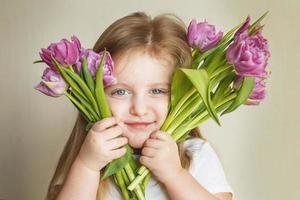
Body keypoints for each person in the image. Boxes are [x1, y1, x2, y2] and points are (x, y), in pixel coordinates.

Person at [46, 11, 234, 200]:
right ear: (96, 96)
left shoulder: (195, 154)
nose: (139, 109)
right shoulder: (89, 155)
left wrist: (174, 175)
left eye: (157, 91)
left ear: (183, 95)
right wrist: (87, 166)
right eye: (120, 92)